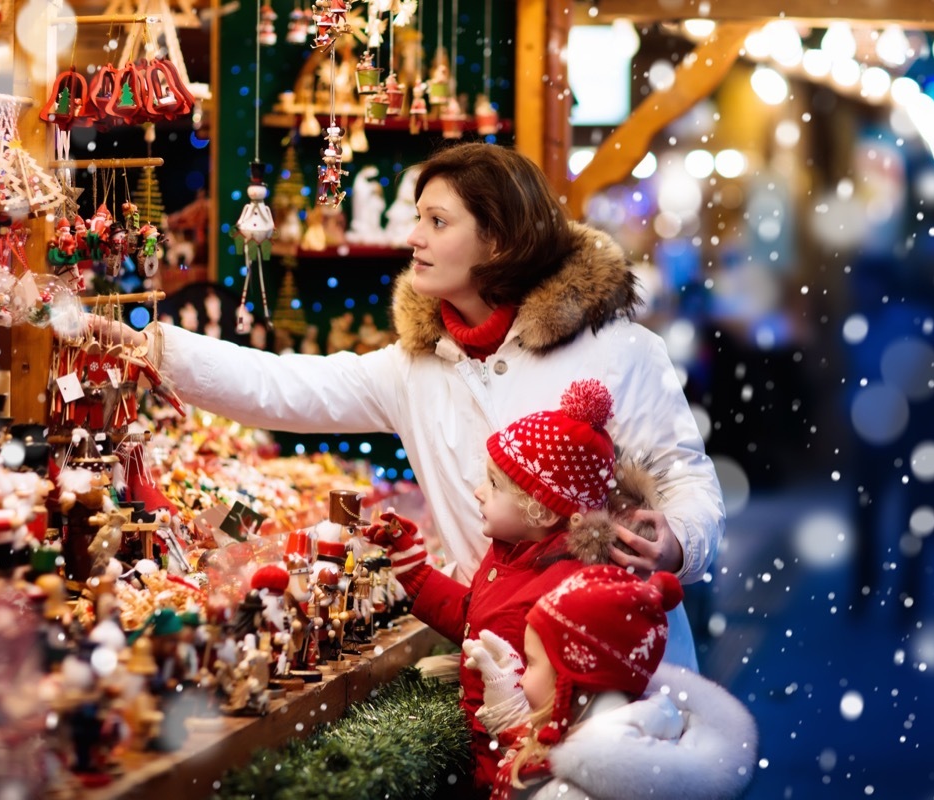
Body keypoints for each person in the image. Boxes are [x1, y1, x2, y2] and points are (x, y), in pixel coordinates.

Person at [85, 141, 723, 665]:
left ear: (499, 240)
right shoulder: (414, 368)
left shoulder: (619, 351)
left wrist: (679, 540)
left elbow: (684, 478)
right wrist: (152, 348)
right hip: (501, 660)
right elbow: (281, 386)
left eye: (437, 222)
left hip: (621, 657)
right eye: (417, 216)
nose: (411, 236)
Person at [361, 378, 662, 790]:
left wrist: (510, 759)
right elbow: (477, 621)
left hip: (516, 769)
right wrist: (412, 566)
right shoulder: (512, 555)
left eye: (496, 485)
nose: (479, 492)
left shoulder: (565, 593)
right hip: (492, 752)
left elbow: (556, 717)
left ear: (538, 509)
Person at [472, 565, 757, 800]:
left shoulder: (568, 792)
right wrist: (509, 708)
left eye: (531, 663)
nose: (522, 678)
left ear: (573, 681)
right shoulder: (650, 729)